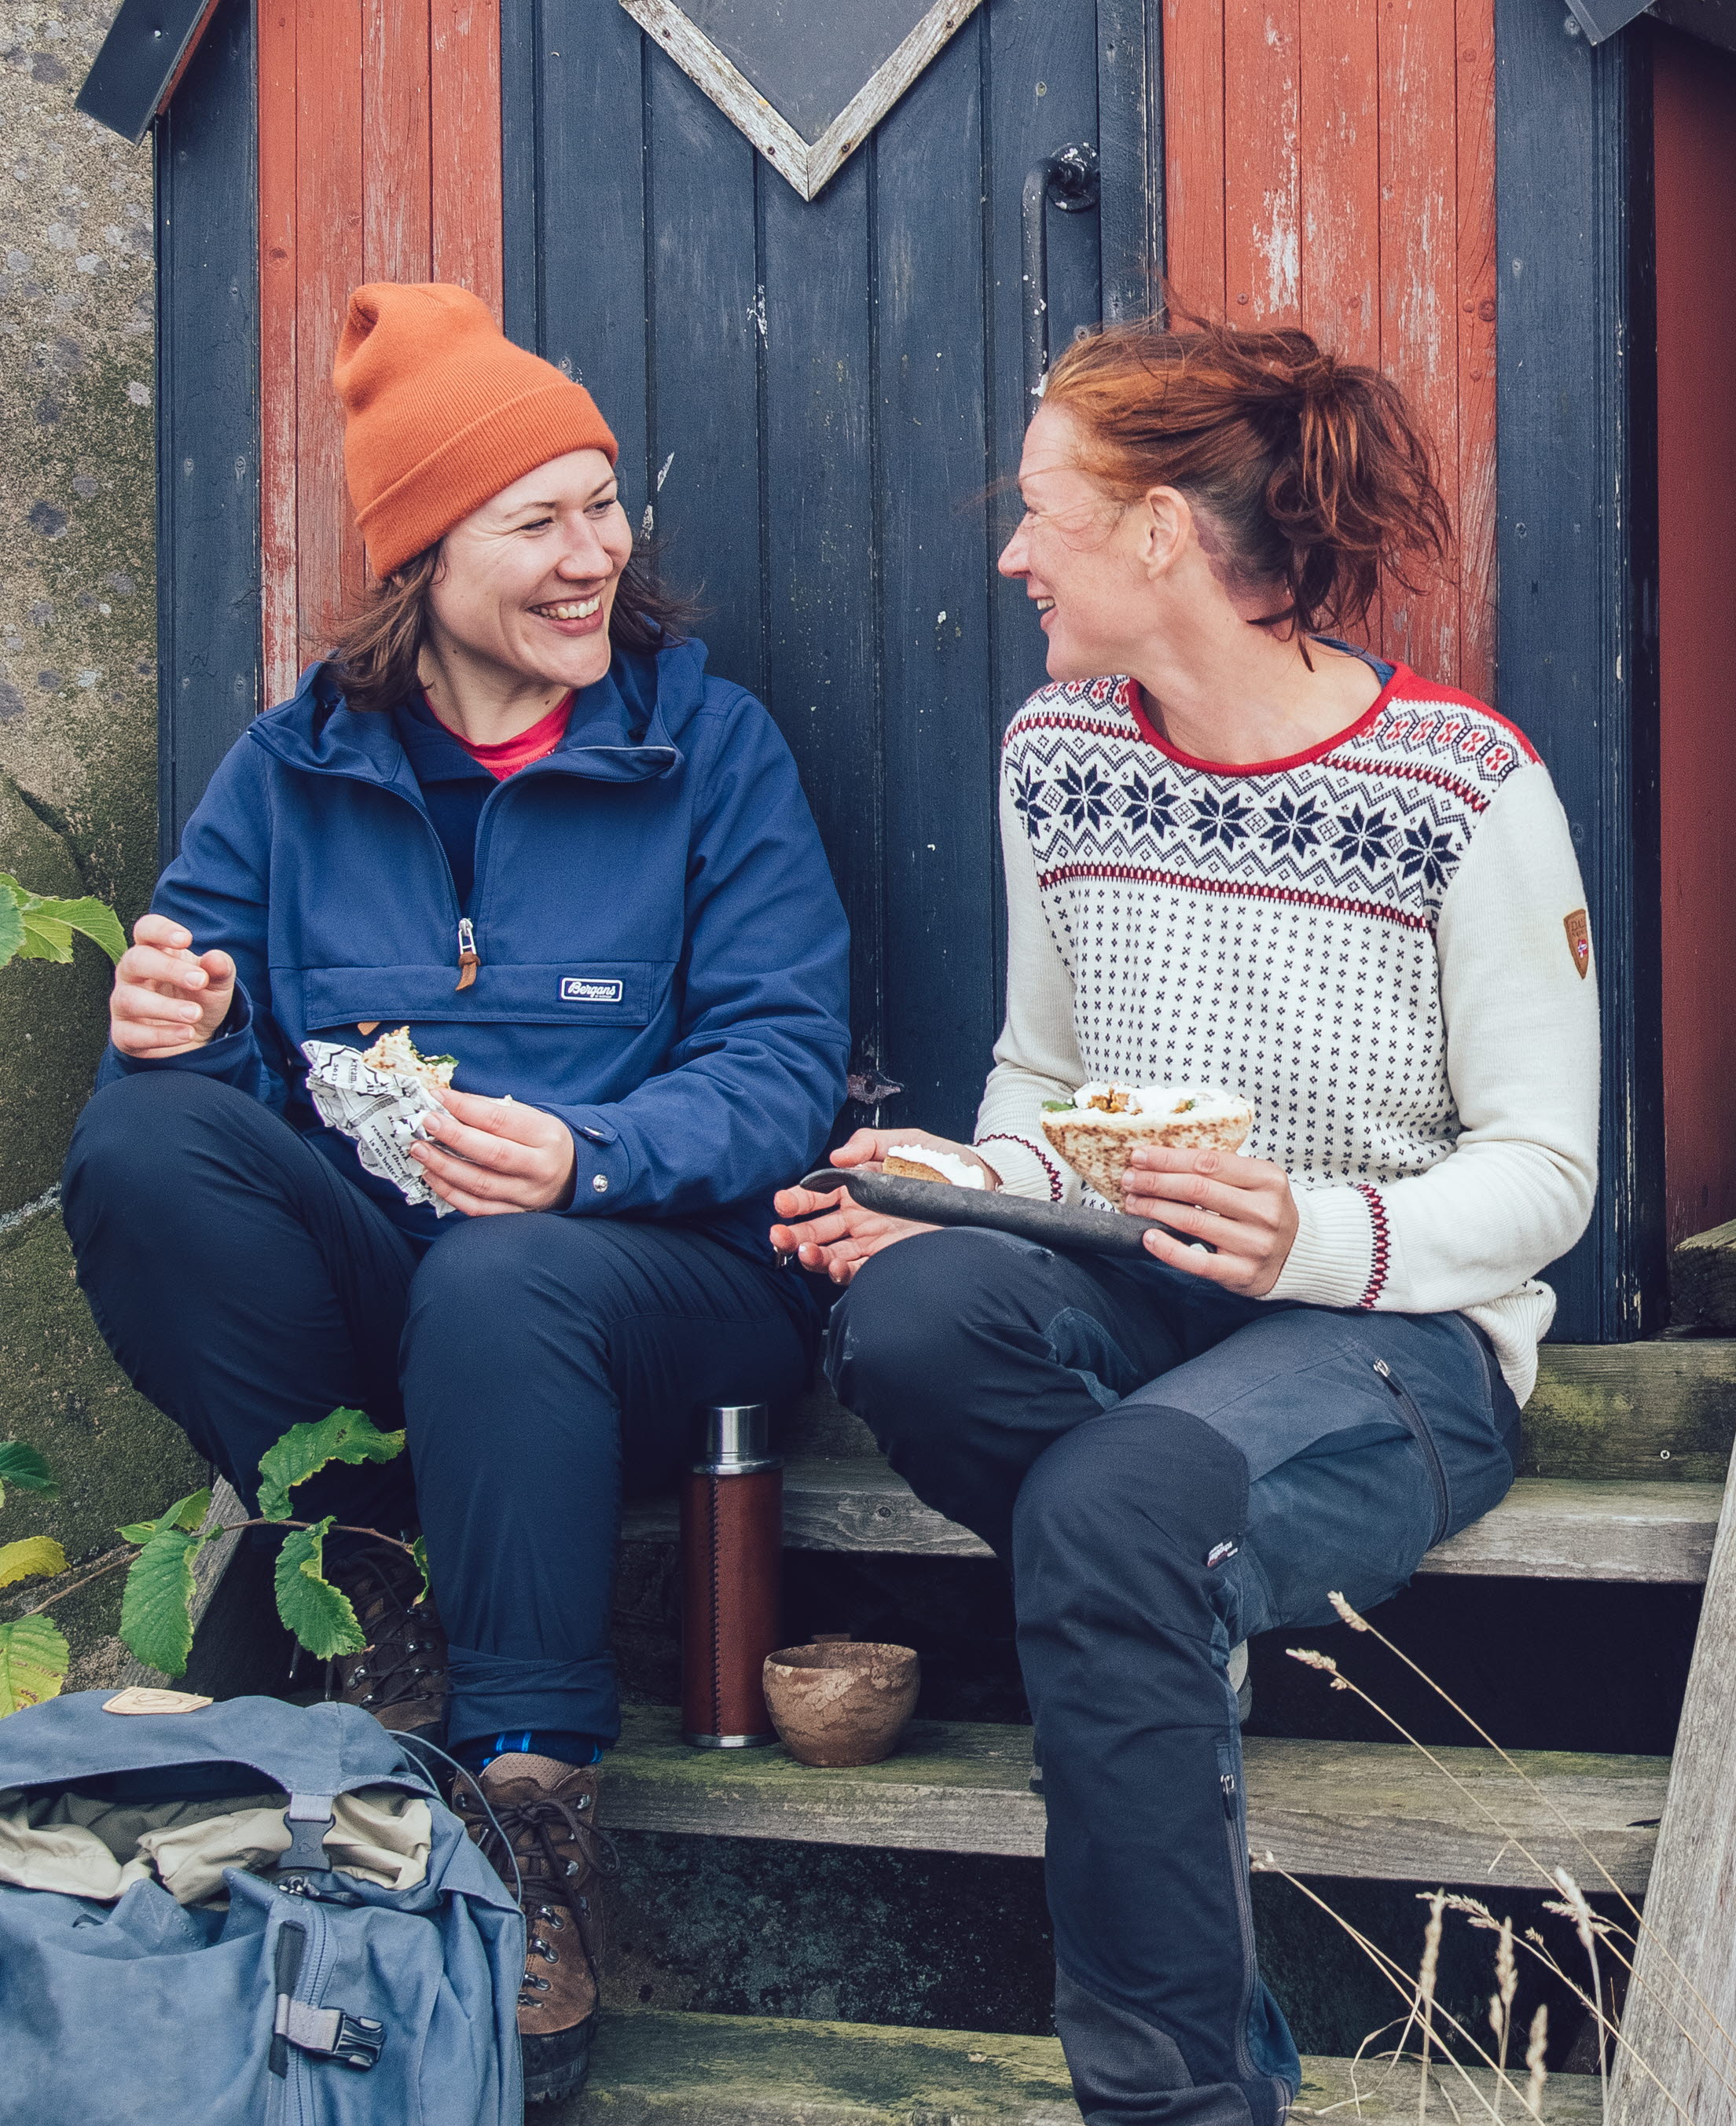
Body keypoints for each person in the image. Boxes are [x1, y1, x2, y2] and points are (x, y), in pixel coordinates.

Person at [772, 317, 1598, 2126]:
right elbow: (1046, 1088)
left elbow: (1546, 1177)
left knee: (1113, 1502)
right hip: (1140, 1298)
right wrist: (935, 1192)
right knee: (913, 1325)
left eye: (1039, 509)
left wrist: (1303, 1229)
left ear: (1156, 535)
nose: (1010, 551)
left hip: (1402, 1346)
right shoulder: (1059, 753)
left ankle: (1174, 2104)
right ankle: (1149, 1589)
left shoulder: (1461, 788)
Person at [64, 282, 850, 2106]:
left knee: (508, 1278)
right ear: (423, 555)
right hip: (393, 1303)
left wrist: (594, 1156)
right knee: (136, 1144)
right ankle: (370, 1565)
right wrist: (170, 1030)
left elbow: (780, 1061)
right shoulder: (293, 769)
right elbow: (210, 1118)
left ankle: (526, 1821)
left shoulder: (702, 749)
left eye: (603, 505)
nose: (598, 554)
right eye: (540, 521)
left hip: (666, 1284)